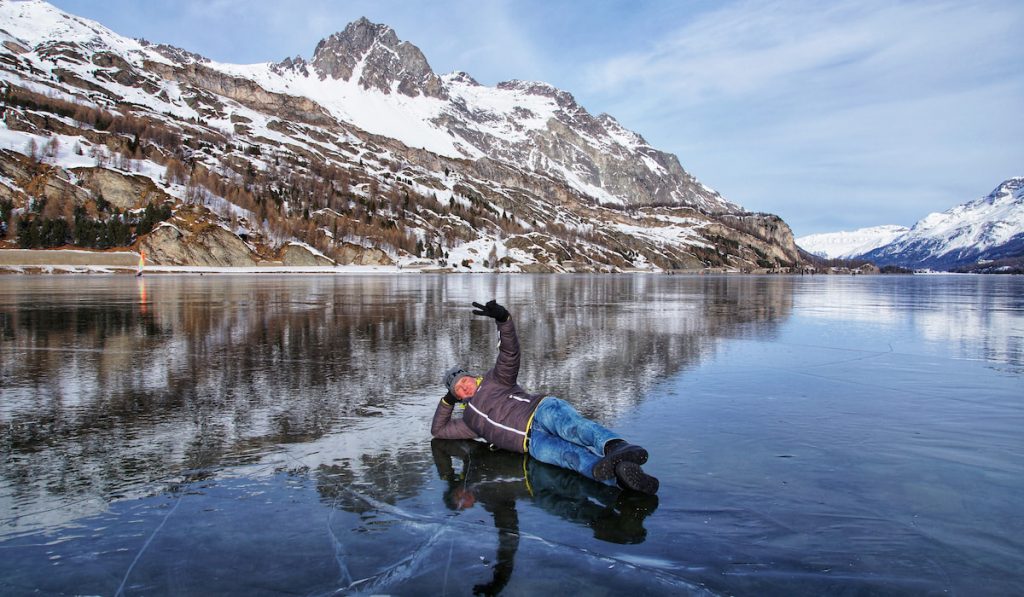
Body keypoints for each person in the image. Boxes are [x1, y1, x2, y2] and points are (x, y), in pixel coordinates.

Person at [431, 300, 659, 495]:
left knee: (575, 429)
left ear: (472, 376)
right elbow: (439, 431)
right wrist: (446, 402)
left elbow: (509, 353)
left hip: (540, 411)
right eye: (459, 389)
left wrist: (503, 320)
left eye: (465, 380)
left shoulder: (495, 379)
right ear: (457, 396)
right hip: (532, 444)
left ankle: (617, 447)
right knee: (572, 459)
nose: (466, 386)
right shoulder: (470, 423)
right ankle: (622, 479)